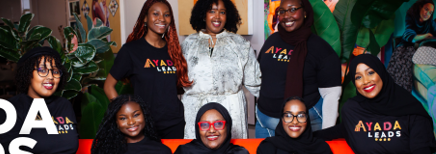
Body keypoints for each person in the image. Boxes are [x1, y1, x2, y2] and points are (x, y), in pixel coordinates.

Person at [314, 54, 436, 154]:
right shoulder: (352, 111)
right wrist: (300, 135)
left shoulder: (409, 108)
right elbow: (341, 130)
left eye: (370, 73)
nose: (365, 81)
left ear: (381, 73)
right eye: (358, 77)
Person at [103, 0, 190, 139]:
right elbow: (108, 86)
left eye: (166, 15)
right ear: (145, 17)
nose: (161, 18)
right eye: (155, 14)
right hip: (146, 126)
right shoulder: (131, 51)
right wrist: (127, 114)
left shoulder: (173, 50)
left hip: (175, 124)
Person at [255, 0, 342, 138]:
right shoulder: (272, 40)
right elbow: (261, 77)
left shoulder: (321, 49)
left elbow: (331, 95)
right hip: (265, 123)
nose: (286, 16)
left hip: (305, 124)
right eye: (282, 11)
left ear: (305, 12)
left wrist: (327, 133)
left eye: (292, 9)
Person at [181, 0, 261, 139]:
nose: (217, 16)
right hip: (196, 111)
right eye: (212, 11)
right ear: (203, 14)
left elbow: (255, 82)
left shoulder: (240, 44)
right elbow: (177, 80)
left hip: (231, 111)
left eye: (222, 12)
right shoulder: (188, 45)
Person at [78, 95, 172, 154]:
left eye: (136, 115)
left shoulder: (161, 151)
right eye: (123, 118)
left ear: (144, 115)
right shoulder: (105, 151)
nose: (131, 122)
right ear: (116, 122)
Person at [388, 0, 435, 92]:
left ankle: (403, 94)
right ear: (420, 7)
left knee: (408, 59)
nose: (427, 14)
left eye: (430, 12)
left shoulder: (431, 23)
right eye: (426, 9)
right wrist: (425, 35)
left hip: (420, 49)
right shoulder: (411, 16)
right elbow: (410, 36)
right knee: (399, 59)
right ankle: (392, 91)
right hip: (406, 44)